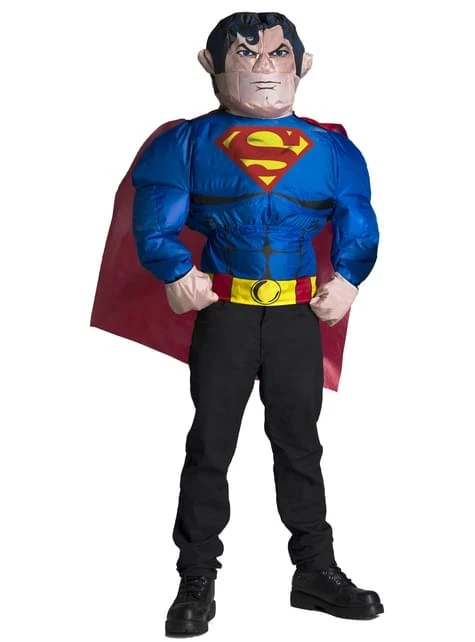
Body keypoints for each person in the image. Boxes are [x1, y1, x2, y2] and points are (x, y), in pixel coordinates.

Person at [129, 11, 382, 636]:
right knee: (211, 442)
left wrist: (351, 277)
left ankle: (314, 571)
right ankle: (196, 575)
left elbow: (357, 219)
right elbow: (154, 220)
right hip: (227, 313)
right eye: (246, 53)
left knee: (300, 443)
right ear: (211, 64)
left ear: (303, 64)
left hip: (296, 314)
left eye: (277, 53)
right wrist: (174, 269)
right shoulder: (186, 144)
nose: (264, 67)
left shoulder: (333, 149)